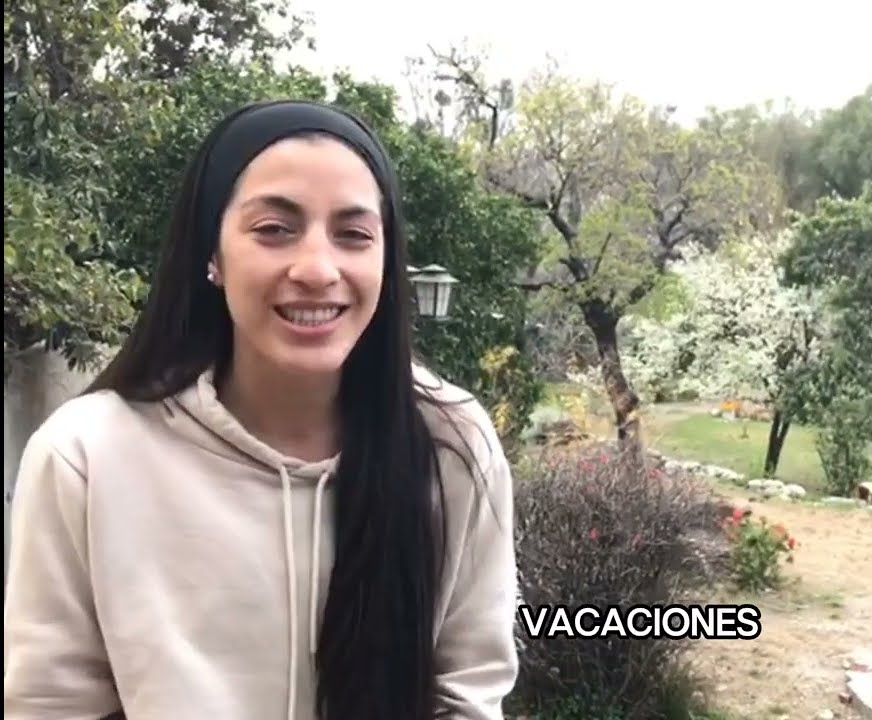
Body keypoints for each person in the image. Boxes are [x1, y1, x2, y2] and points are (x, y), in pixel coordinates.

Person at [3, 100, 519, 720]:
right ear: (212, 256)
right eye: (274, 229)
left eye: (353, 235)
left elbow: (467, 692)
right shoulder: (87, 456)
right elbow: (49, 704)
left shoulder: (450, 441)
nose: (317, 269)